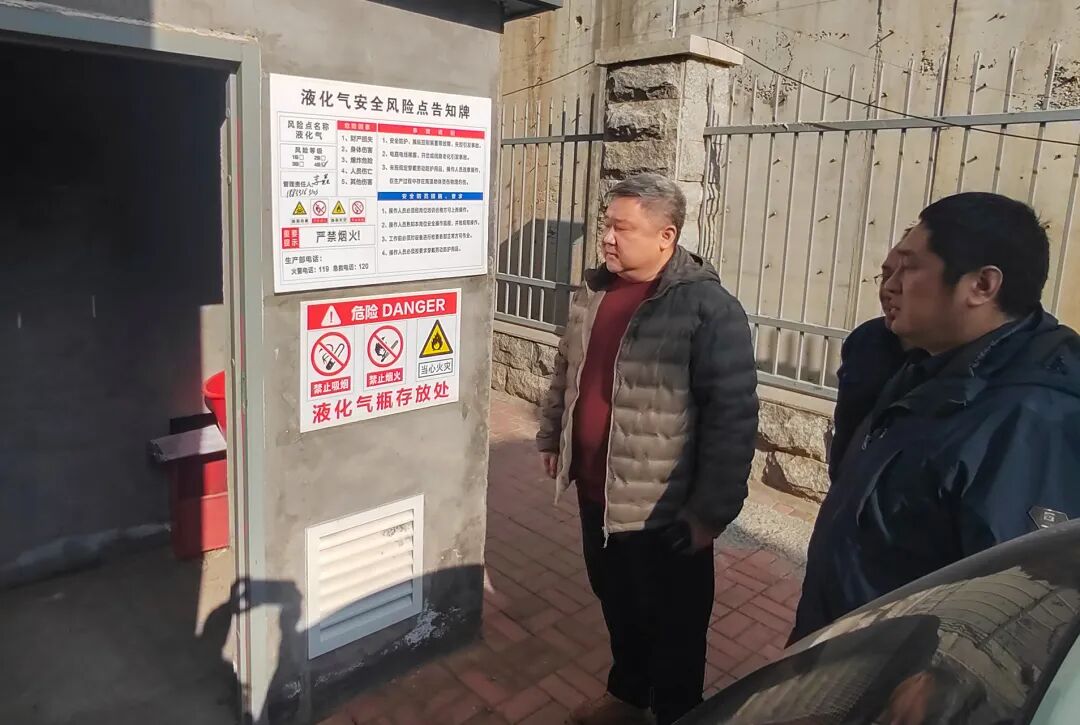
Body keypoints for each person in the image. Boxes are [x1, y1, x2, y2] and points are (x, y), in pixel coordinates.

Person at [791, 191, 1080, 643]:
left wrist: (924, 674)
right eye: (887, 271)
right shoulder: (922, 358)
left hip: (892, 664)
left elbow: (1018, 615)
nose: (890, 285)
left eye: (909, 267)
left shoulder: (1031, 421)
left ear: (981, 286)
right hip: (841, 637)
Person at [536, 173, 758, 725]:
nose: (607, 238)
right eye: (606, 225)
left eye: (622, 228)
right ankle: (628, 695)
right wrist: (553, 435)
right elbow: (567, 369)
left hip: (663, 508)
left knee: (676, 627)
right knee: (617, 602)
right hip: (598, 493)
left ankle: (677, 712)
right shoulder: (595, 290)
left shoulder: (707, 308)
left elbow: (732, 418)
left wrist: (708, 514)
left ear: (666, 236)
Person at [828, 246, 915, 478]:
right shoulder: (864, 339)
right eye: (885, 276)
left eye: (906, 275)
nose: (889, 287)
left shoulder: (957, 364)